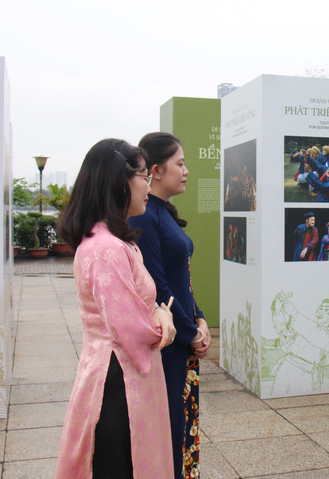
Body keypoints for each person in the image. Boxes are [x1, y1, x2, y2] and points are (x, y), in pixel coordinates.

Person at [55, 138, 176, 478]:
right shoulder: (106, 248)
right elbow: (131, 327)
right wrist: (163, 320)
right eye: (144, 177)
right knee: (120, 464)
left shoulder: (114, 242)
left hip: (119, 372)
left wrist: (157, 311)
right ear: (120, 183)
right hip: (117, 381)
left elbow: (135, 309)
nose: (148, 187)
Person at [129, 132, 211, 479]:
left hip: (182, 336)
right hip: (169, 341)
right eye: (180, 163)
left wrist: (200, 320)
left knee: (181, 421)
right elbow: (157, 287)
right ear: (157, 171)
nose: (186, 171)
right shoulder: (145, 217)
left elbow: (181, 281)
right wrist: (192, 332)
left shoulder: (159, 212)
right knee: (170, 426)